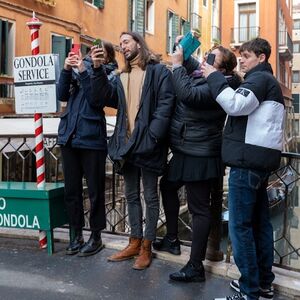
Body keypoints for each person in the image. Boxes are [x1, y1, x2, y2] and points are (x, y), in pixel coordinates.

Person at [202, 38, 285, 300]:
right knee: (260, 225)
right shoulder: (266, 81)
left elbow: (236, 105)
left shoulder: (260, 80)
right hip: (258, 163)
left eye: (247, 56)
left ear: (261, 58)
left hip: (246, 163)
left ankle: (249, 291)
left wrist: (214, 77)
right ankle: (262, 284)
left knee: (240, 228)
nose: (242, 60)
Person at [90, 31, 175, 270]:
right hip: (125, 145)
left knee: (150, 196)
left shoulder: (158, 71)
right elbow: (101, 98)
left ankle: (147, 246)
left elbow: (166, 105)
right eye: (120, 45)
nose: (123, 47)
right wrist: (97, 69)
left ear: (138, 42)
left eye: (126, 42)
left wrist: (153, 136)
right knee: (131, 196)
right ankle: (134, 241)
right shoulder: (121, 75)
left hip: (148, 144)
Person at [156, 44, 241, 282]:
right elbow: (196, 66)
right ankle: (172, 238)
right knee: (167, 186)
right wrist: (185, 52)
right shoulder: (210, 74)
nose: (205, 59)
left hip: (201, 152)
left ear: (222, 68)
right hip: (186, 147)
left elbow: (188, 95)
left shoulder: (222, 85)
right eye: (206, 54)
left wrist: (176, 65)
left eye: (211, 57)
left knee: (199, 209)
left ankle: (196, 266)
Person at [57, 41, 118, 257]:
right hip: (69, 136)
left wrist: (86, 70)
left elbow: (96, 98)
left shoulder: (110, 75)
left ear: (107, 57)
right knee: (71, 191)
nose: (91, 55)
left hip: (92, 139)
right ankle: (76, 234)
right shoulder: (76, 69)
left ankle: (96, 236)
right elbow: (62, 95)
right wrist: (66, 69)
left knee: (95, 192)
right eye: (90, 51)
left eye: (98, 52)